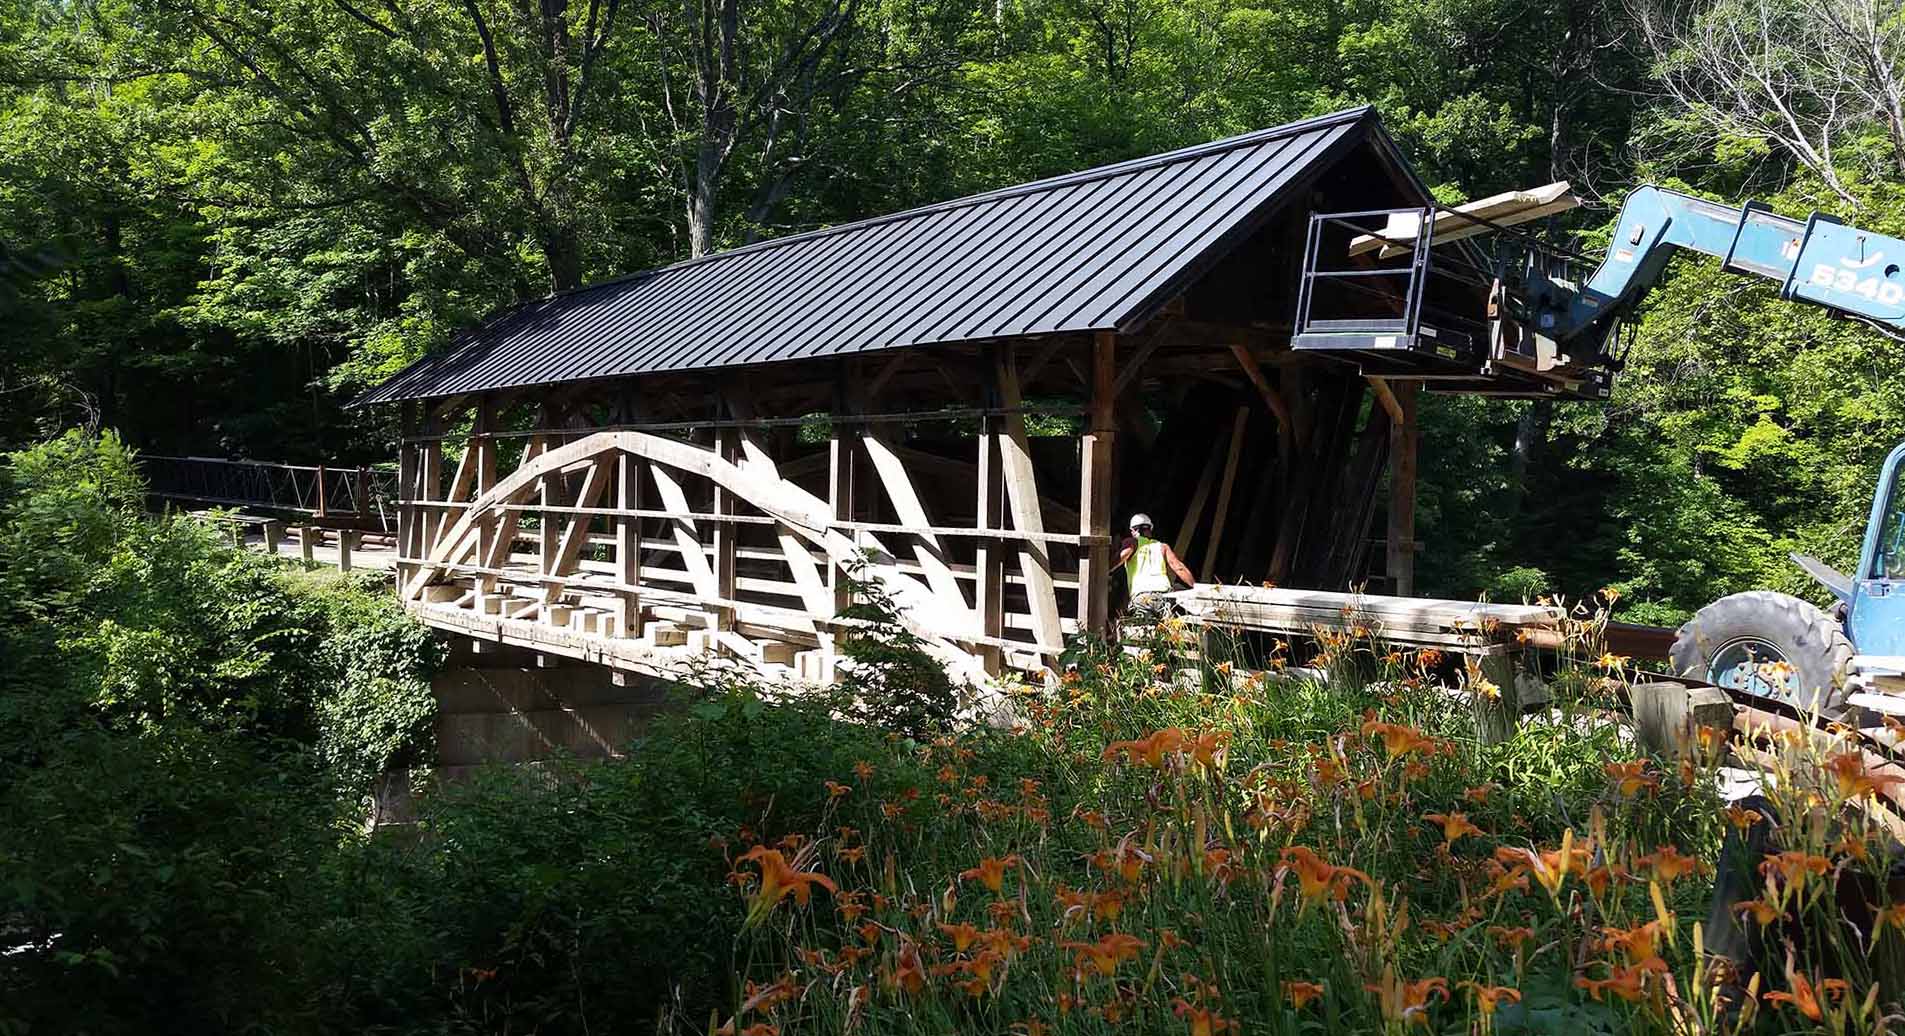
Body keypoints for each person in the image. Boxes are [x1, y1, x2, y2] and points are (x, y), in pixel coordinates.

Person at [1119, 513, 1196, 620]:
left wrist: (1104, 571)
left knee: (1143, 633)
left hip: (1142, 598)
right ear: (1150, 529)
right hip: (1164, 598)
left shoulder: (1131, 542)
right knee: (1166, 633)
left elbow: (1121, 557)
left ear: (1133, 530)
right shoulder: (1163, 547)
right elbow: (1178, 567)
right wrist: (1196, 588)